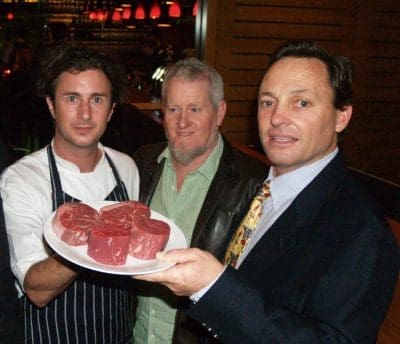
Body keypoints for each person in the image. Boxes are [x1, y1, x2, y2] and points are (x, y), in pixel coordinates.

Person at [134, 40, 400, 343]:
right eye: (268, 102)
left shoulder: (362, 229)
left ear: (342, 116)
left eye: (301, 103)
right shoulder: (261, 191)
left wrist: (213, 288)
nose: (277, 118)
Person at [0, 45, 139, 343]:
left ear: (112, 109)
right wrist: (98, 238)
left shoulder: (126, 168)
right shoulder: (22, 180)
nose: (85, 114)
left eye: (97, 99)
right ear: (51, 105)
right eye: (72, 98)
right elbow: (35, 289)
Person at [132, 57, 267, 343]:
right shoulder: (142, 163)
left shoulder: (255, 185)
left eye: (195, 109)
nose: (182, 122)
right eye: (173, 109)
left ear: (219, 113)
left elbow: (255, 295)